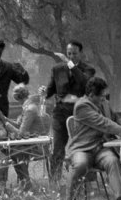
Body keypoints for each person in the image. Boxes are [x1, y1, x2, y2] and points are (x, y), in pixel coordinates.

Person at [66, 77, 121, 200]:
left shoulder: (104, 102)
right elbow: (104, 123)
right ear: (91, 95)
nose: (104, 98)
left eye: (104, 95)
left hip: (101, 148)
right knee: (80, 164)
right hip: (82, 149)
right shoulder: (82, 106)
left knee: (112, 161)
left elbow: (116, 117)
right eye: (101, 96)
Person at [40, 40, 96, 181]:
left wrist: (70, 65)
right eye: (69, 53)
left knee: (84, 147)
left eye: (74, 53)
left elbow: (85, 83)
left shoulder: (88, 70)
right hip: (60, 113)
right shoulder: (57, 69)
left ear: (81, 53)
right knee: (58, 149)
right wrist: (44, 91)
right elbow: (51, 90)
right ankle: (54, 183)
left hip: (81, 115)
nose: (71, 56)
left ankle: (87, 182)